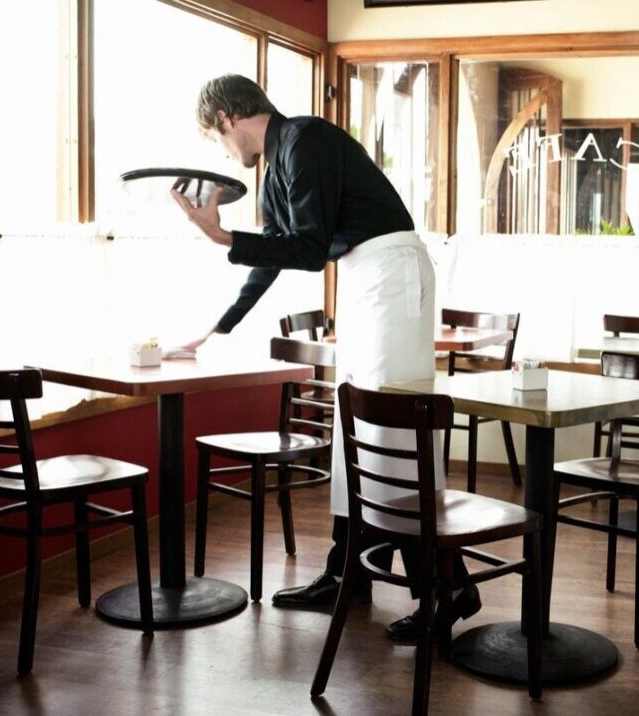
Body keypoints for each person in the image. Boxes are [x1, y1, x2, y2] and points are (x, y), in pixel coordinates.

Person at [170, 75, 478, 640]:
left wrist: (224, 238)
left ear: (224, 120)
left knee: (393, 434)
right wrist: (217, 327)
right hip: (365, 278)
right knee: (355, 429)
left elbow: (308, 251)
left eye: (215, 140)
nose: (222, 152)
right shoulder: (279, 163)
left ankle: (448, 587)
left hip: (390, 271)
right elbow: (274, 255)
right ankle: (348, 576)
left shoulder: (305, 138)